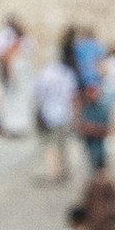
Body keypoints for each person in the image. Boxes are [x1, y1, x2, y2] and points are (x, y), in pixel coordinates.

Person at [31, 46, 77, 184]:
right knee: (62, 144)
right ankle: (63, 170)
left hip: (48, 113)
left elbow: (37, 95)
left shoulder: (44, 74)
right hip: (64, 113)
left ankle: (53, 173)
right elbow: (72, 95)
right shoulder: (67, 73)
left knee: (49, 145)